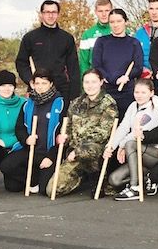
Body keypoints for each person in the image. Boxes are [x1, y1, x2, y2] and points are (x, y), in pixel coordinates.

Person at [50, 69, 118, 197]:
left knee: (91, 151)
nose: (90, 85)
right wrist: (64, 136)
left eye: (93, 82)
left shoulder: (109, 104)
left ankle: (99, 179)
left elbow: (103, 133)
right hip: (74, 152)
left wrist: (78, 151)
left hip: (94, 151)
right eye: (87, 82)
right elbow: (68, 127)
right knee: (53, 189)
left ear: (101, 82)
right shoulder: (76, 103)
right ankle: (81, 177)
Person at [0, 69, 67, 194]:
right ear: (33, 84)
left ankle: (37, 178)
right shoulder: (28, 104)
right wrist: (26, 139)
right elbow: (19, 128)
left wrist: (51, 157)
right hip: (29, 151)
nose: (40, 87)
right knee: (10, 181)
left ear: (51, 84)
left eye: (44, 83)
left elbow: (63, 136)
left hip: (48, 152)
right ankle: (33, 179)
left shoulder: (60, 104)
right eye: (37, 83)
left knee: (44, 189)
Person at [104, 79, 158, 200]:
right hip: (138, 156)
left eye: (143, 92)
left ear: (151, 93)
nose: (139, 95)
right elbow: (123, 127)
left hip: (155, 154)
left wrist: (122, 146)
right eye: (136, 92)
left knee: (131, 144)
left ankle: (135, 187)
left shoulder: (153, 110)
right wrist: (111, 146)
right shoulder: (133, 106)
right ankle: (147, 178)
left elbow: (136, 135)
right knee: (114, 180)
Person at [16, 0, 80, 99]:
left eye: (54, 12)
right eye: (47, 12)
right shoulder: (30, 37)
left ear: (58, 14)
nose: (51, 15)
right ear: (41, 14)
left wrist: (74, 94)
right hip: (38, 90)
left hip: (62, 90)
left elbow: (74, 68)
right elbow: (21, 63)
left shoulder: (67, 38)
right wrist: (31, 80)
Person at [92, 8, 144, 114]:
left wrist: (127, 77)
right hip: (105, 91)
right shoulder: (101, 41)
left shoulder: (134, 43)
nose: (115, 25)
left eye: (119, 21)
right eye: (112, 22)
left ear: (126, 22)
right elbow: (97, 65)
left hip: (127, 91)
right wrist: (112, 80)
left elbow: (138, 67)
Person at [79, 0, 113, 75]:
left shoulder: (124, 32)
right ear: (96, 12)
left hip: (118, 80)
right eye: (100, 11)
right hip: (95, 80)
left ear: (112, 11)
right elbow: (84, 64)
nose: (104, 14)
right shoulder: (87, 35)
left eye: (107, 11)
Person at [134, 0, 158, 78]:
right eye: (151, 9)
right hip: (144, 78)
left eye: (157, 9)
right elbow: (134, 56)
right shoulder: (140, 33)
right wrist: (142, 70)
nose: (154, 12)